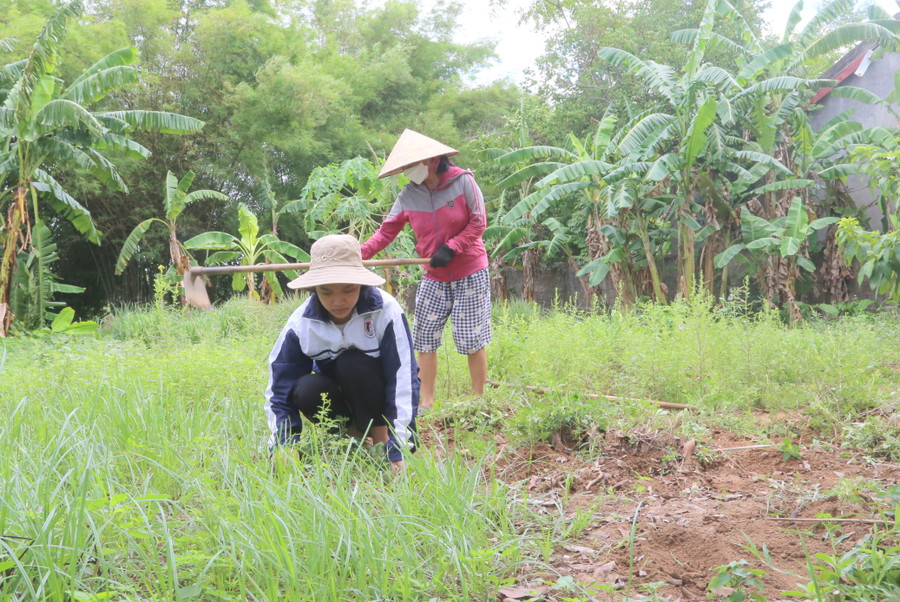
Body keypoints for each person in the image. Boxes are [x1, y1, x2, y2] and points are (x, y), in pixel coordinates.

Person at [264, 234, 419, 471]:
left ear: (361, 285)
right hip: (338, 397)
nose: (338, 301)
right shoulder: (301, 324)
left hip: (376, 392)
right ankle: (353, 437)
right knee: (305, 387)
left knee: (353, 362)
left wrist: (400, 447)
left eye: (348, 289)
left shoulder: (385, 312)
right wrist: (283, 446)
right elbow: (280, 388)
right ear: (314, 289)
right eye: (326, 292)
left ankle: (382, 442)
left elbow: (403, 378)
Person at [361, 129, 490, 412]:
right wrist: (357, 255)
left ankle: (480, 399)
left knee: (471, 336)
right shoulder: (409, 195)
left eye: (410, 166)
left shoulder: (463, 182)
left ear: (431, 161)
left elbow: (479, 222)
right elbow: (386, 233)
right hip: (434, 274)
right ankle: (427, 401)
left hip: (469, 270)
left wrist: (452, 248)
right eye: (404, 168)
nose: (407, 172)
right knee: (425, 336)